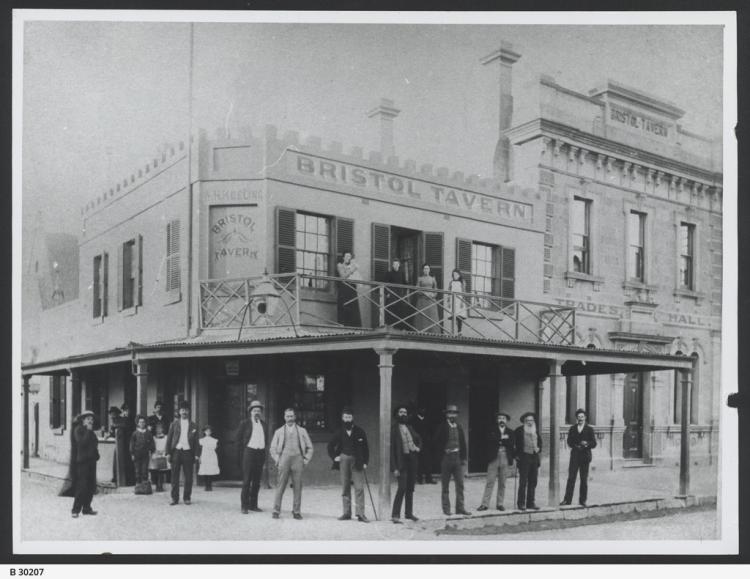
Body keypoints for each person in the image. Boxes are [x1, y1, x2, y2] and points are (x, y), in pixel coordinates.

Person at [327, 407, 370, 523]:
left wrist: (365, 462)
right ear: (342, 418)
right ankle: (347, 513)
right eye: (345, 417)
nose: (347, 420)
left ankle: (361, 514)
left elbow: (366, 448)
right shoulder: (339, 431)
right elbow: (330, 445)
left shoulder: (360, 431)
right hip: (344, 460)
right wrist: (334, 457)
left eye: (349, 417)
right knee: (345, 487)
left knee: (359, 488)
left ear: (353, 418)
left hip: (358, 461)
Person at [270, 408, 314, 520]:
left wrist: (305, 460)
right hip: (284, 460)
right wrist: (277, 459)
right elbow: (272, 448)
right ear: (284, 417)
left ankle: (296, 511)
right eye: (287, 416)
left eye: (291, 416)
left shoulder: (302, 431)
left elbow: (310, 447)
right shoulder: (278, 431)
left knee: (298, 486)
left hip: (298, 460)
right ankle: (276, 510)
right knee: (280, 486)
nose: (289, 418)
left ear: (295, 417)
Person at [433, 404, 471, 516]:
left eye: (454, 413)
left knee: (460, 484)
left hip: (457, 457)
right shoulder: (442, 427)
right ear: (446, 415)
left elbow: (463, 443)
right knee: (445, 485)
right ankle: (446, 509)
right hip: (446, 458)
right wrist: (442, 452)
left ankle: (460, 508)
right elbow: (435, 442)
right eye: (450, 413)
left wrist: (463, 458)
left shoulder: (459, 426)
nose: (452, 415)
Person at [390, 404, 421, 523]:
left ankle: (409, 513)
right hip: (401, 462)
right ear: (397, 414)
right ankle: (395, 515)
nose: (403, 414)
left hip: (412, 460)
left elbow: (418, 438)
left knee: (410, 488)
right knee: (402, 488)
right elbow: (392, 450)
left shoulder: (410, 427)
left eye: (405, 412)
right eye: (401, 412)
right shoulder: (393, 429)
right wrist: (394, 468)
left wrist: (418, 448)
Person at [478, 411, 515, 511]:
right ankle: (484, 504)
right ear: (497, 420)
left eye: (503, 418)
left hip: (505, 457)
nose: (501, 420)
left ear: (506, 420)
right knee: (490, 481)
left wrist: (499, 439)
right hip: (494, 457)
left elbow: (511, 444)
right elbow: (488, 440)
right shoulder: (491, 430)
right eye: (499, 418)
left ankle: (500, 504)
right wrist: (502, 438)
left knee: (502, 482)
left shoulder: (511, 432)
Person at [561, 408, 597, 507]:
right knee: (571, 478)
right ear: (576, 418)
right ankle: (567, 500)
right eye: (578, 417)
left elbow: (594, 443)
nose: (580, 418)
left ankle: (583, 500)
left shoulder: (589, 429)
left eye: (582, 416)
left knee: (583, 479)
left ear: (585, 417)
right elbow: (569, 441)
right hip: (575, 456)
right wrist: (575, 446)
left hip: (585, 457)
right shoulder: (572, 428)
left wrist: (586, 444)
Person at [166, 400, 200, 506]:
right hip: (176, 451)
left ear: (189, 411)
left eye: (186, 410)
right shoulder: (174, 424)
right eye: (182, 410)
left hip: (188, 452)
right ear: (179, 412)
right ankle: (174, 498)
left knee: (188, 476)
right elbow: (169, 439)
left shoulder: (194, 425)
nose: (184, 412)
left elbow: (196, 441)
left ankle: (187, 497)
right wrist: (168, 453)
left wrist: (196, 454)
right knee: (174, 476)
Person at [237, 400, 268, 513]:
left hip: (260, 454)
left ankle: (253, 505)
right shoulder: (244, 423)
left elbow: (266, 440)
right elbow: (238, 440)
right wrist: (242, 455)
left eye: (259, 411)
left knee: (256, 481)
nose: (257, 412)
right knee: (247, 481)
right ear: (250, 412)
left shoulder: (264, 424)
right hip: (249, 453)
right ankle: (244, 506)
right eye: (254, 410)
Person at [70, 410, 100, 518]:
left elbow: (94, 444)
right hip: (82, 462)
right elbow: (82, 443)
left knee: (91, 486)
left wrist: (97, 455)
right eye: (88, 419)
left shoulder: (91, 431)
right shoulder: (78, 430)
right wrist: (88, 431)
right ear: (83, 420)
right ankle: (75, 509)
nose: (90, 421)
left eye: (91, 419)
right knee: (82, 486)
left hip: (91, 462)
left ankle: (87, 508)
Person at [514, 412, 543, 511]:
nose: (530, 422)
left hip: (534, 458)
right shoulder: (518, 431)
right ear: (524, 421)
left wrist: (539, 448)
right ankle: (521, 503)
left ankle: (530, 503)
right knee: (523, 482)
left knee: (533, 481)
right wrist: (516, 456)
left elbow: (540, 442)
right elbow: (514, 445)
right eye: (527, 420)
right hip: (524, 458)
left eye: (531, 420)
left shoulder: (535, 430)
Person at [129, 414, 155, 495]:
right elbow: (131, 444)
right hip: (137, 454)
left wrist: (152, 450)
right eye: (140, 422)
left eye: (143, 422)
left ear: (145, 423)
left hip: (145, 455)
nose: (142, 424)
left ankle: (145, 488)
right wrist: (132, 453)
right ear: (138, 423)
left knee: (144, 470)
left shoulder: (148, 433)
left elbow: (152, 443)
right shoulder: (135, 433)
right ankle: (138, 488)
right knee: (137, 470)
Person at [336, 252, 362, 327]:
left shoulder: (351, 266)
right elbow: (343, 277)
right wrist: (352, 270)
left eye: (350, 257)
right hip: (344, 289)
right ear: (343, 257)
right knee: (344, 308)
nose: (348, 258)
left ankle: (355, 327)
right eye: (347, 256)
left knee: (354, 309)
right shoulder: (340, 265)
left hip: (352, 289)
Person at [413, 406, 435, 484]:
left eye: (424, 409)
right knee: (419, 462)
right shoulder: (414, 420)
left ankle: (429, 478)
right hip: (418, 444)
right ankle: (420, 479)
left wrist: (429, 440)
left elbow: (431, 431)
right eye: (421, 409)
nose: (423, 410)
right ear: (418, 410)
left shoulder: (427, 419)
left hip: (426, 444)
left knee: (428, 461)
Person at [415, 263, 439, 333]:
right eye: (425, 269)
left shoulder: (433, 279)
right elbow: (417, 289)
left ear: (429, 270)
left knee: (431, 316)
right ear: (423, 270)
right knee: (423, 317)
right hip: (422, 300)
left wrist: (433, 295)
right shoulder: (420, 278)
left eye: (427, 268)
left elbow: (436, 289)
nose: (426, 270)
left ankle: (433, 331)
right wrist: (424, 293)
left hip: (431, 300)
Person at [384, 257, 407, 328]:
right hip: (391, 294)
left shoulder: (402, 273)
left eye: (397, 264)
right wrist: (387, 293)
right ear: (392, 265)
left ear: (399, 265)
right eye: (394, 264)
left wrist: (405, 293)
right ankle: (390, 326)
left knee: (399, 311)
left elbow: (405, 283)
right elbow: (385, 284)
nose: (396, 265)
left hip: (399, 294)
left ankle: (399, 327)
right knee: (390, 310)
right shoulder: (389, 273)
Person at [197, 425, 220, 491]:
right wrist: (200, 457)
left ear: (211, 432)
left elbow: (216, 448)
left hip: (211, 456)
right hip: (204, 456)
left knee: (210, 470)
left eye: (209, 431)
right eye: (206, 431)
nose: (208, 432)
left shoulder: (214, 440)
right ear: (204, 432)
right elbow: (200, 449)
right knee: (205, 470)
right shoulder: (201, 440)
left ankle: (210, 485)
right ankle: (206, 485)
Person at [148, 421, 169, 492]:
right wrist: (155, 451)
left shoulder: (166, 437)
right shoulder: (153, 437)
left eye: (160, 428)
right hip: (155, 454)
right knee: (155, 470)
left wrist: (164, 451)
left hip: (163, 454)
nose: (159, 430)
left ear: (163, 429)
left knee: (161, 471)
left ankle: (160, 485)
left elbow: (167, 445)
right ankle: (156, 484)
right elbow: (152, 445)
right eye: (157, 428)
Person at [447, 269, 468, 334]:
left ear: (459, 275)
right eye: (454, 274)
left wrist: (462, 301)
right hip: (453, 300)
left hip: (459, 300)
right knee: (453, 316)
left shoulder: (462, 282)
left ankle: (459, 331)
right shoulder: (451, 282)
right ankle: (453, 331)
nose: (455, 276)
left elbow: (464, 292)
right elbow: (449, 292)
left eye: (456, 274)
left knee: (459, 316)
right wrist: (448, 302)